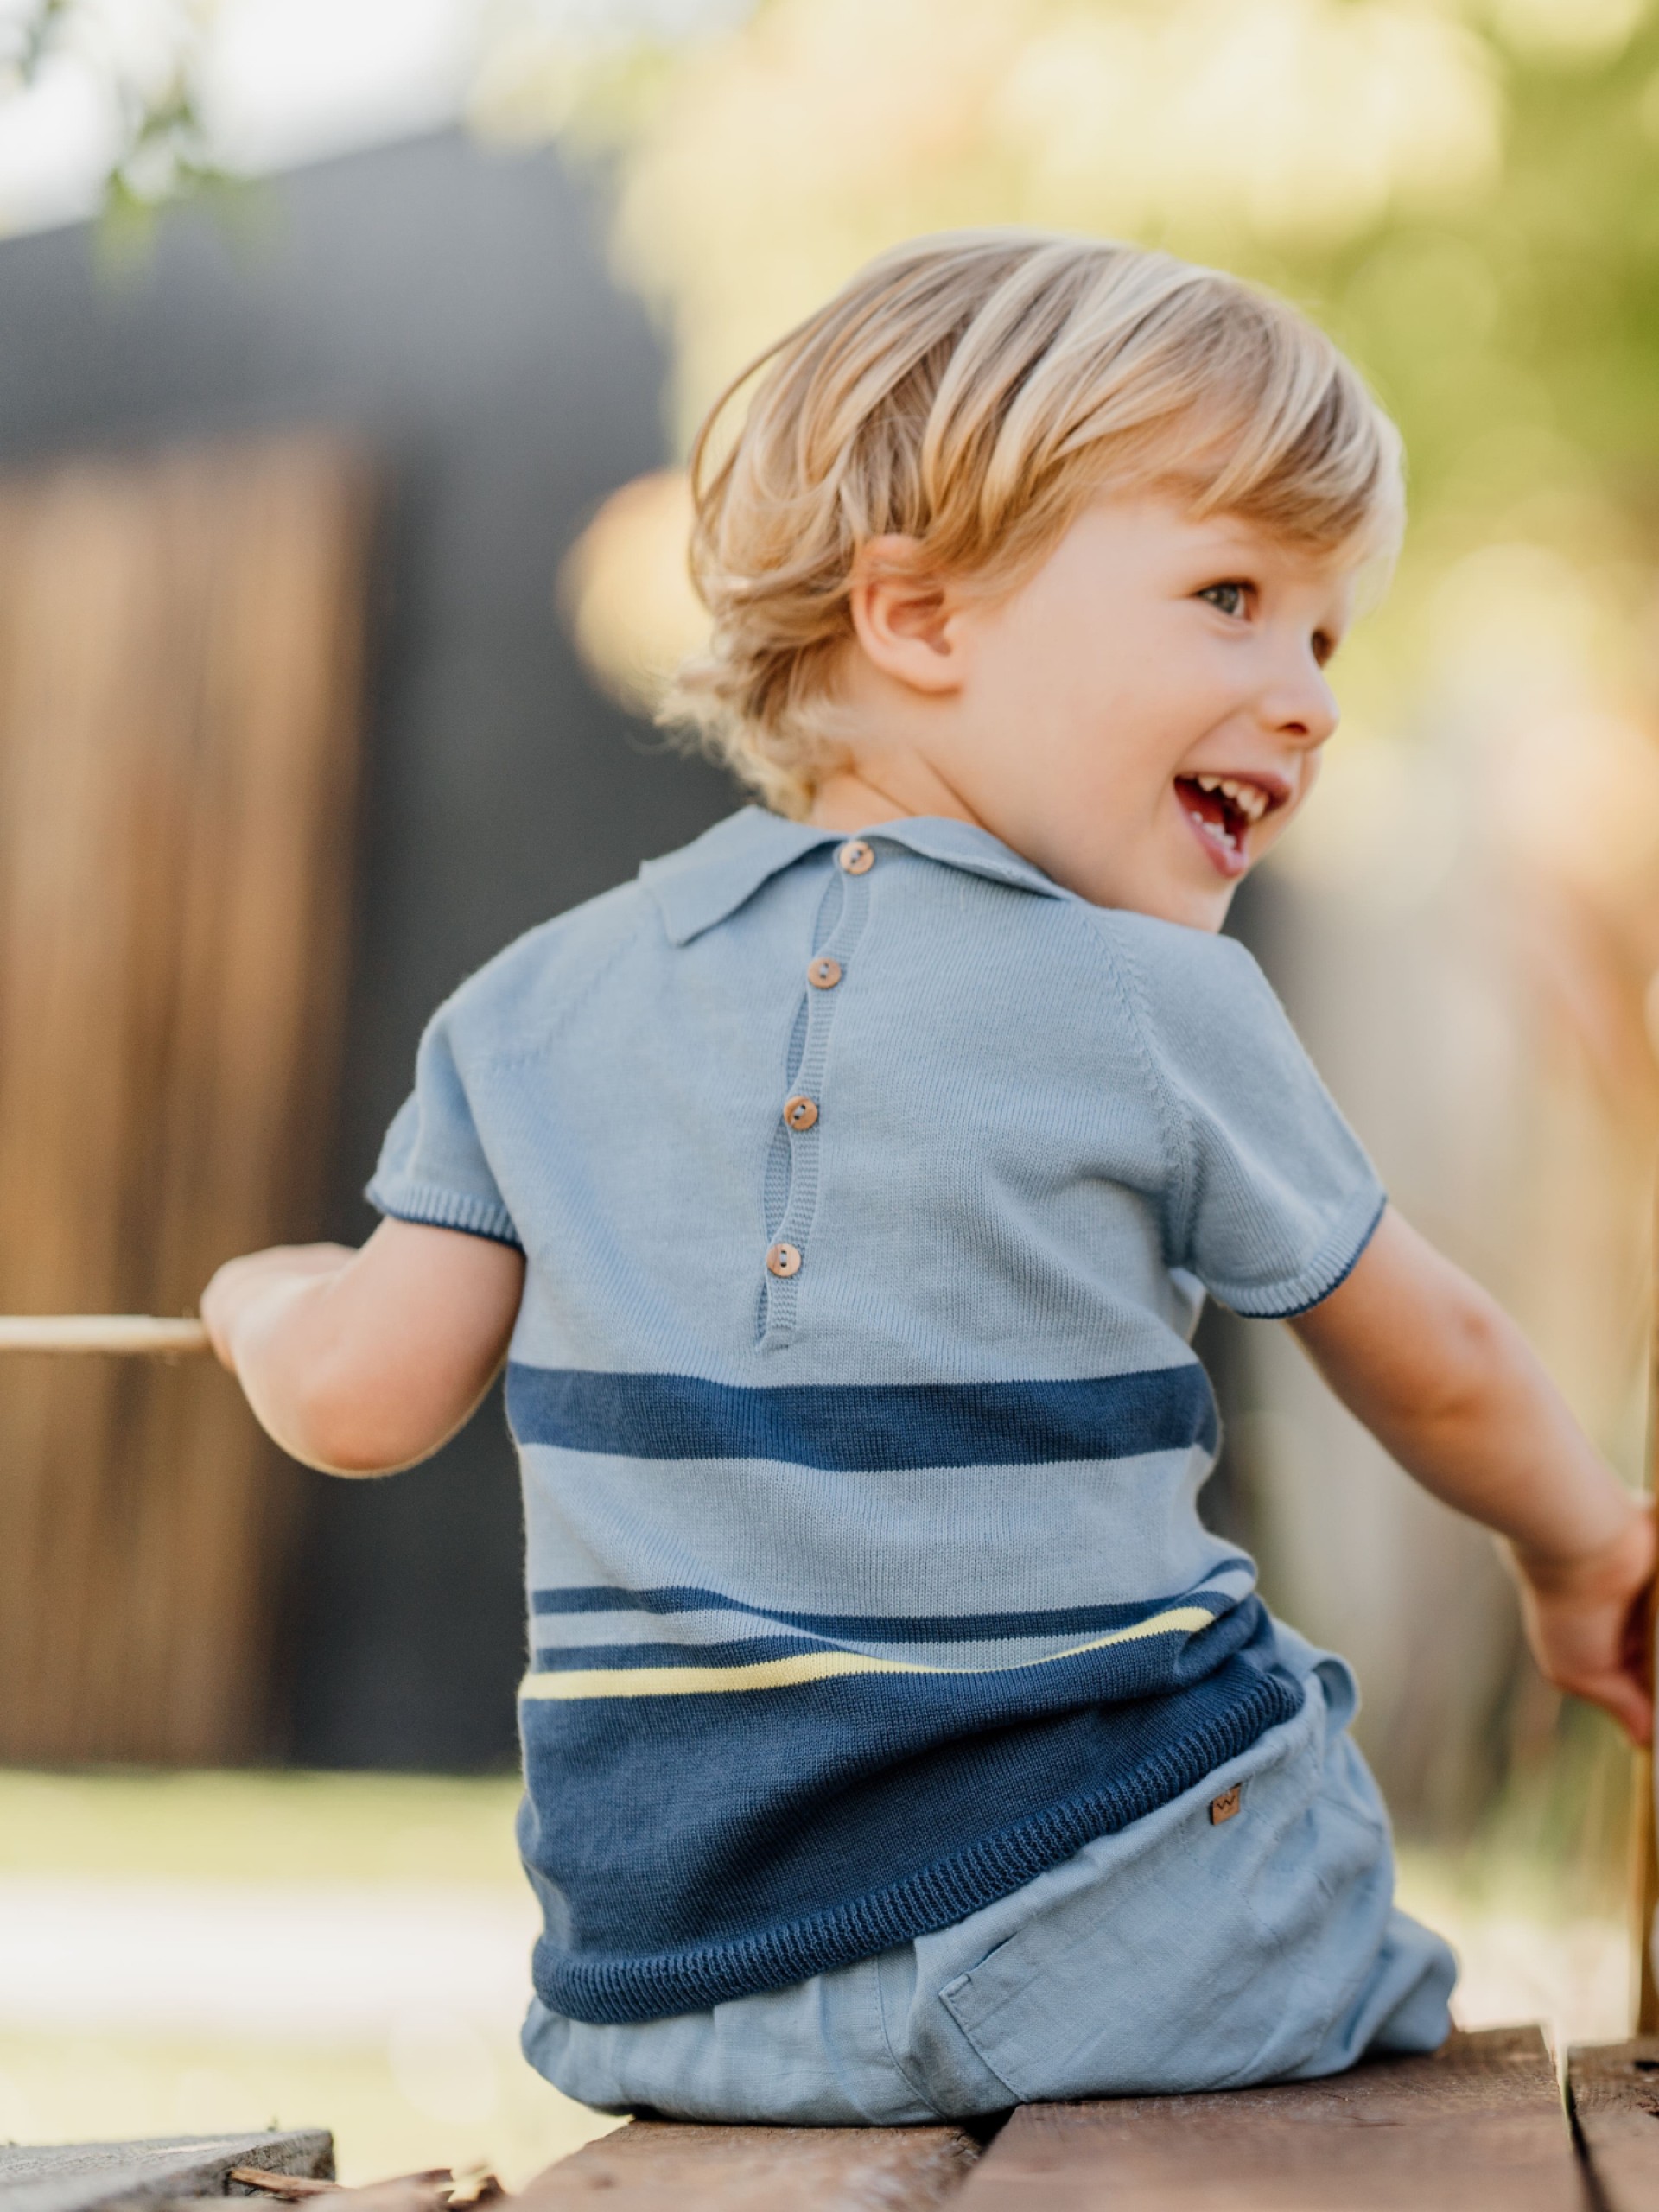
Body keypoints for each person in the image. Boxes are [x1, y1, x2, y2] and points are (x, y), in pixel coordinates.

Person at [202, 232, 1653, 2123]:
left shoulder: (528, 1009)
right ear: (920, 614)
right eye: (1232, 594)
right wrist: (1582, 1545)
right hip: (1147, 1930)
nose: (1305, 697)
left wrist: (257, 1295)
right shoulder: (1164, 1002)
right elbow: (1438, 1354)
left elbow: (359, 1394)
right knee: (1301, 1791)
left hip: (680, 1990)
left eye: (1323, 634)